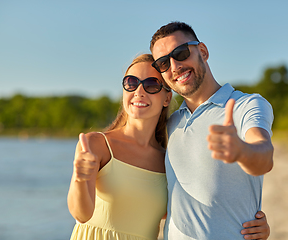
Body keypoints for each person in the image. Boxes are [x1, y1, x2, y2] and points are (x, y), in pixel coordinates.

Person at [67, 54, 270, 240]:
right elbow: (81, 214)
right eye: (131, 83)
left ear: (166, 98)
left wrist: (252, 220)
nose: (139, 91)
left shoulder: (168, 157)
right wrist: (80, 177)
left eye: (151, 85)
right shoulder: (96, 144)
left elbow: (191, 205)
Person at [150, 22, 274, 239]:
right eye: (162, 63)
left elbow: (263, 154)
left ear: (203, 52)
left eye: (181, 53)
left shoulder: (246, 105)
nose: (174, 66)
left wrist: (242, 151)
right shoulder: (169, 124)